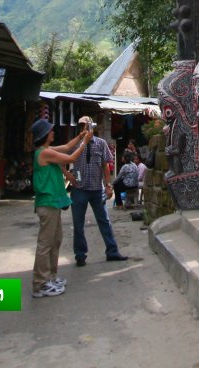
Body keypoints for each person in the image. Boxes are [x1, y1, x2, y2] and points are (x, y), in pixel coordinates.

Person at [29, 118, 90, 298]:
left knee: (55, 240)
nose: (53, 132)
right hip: (47, 202)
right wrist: (85, 142)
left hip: (53, 202)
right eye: (50, 131)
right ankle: (40, 283)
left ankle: (50, 276)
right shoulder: (44, 153)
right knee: (45, 244)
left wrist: (79, 136)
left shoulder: (47, 150)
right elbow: (71, 157)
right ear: (44, 135)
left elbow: (66, 148)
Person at [67, 116, 127, 265]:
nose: (84, 128)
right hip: (79, 189)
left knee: (104, 221)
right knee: (78, 223)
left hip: (96, 189)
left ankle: (112, 251)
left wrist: (108, 185)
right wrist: (67, 174)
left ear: (92, 127)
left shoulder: (100, 144)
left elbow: (105, 165)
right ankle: (80, 255)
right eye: (82, 125)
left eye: (87, 125)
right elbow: (62, 159)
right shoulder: (75, 144)